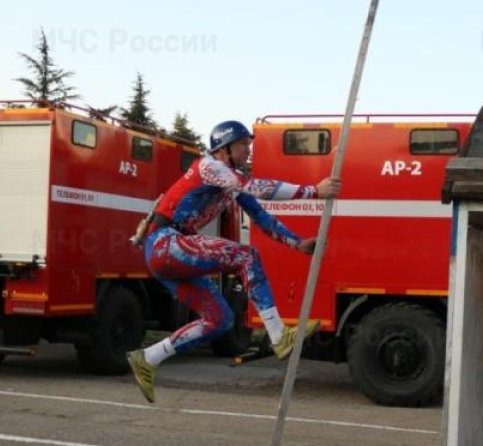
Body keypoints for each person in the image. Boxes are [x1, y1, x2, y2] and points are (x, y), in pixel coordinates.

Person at [126, 120, 339, 403]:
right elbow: (259, 188)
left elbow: (262, 218)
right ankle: (278, 335)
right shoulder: (210, 167)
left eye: (248, 146)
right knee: (246, 255)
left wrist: (297, 243)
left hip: (168, 250)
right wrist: (313, 192)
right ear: (223, 148)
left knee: (220, 319)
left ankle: (148, 358)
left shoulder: (231, 181)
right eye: (242, 146)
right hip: (165, 243)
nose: (247, 152)